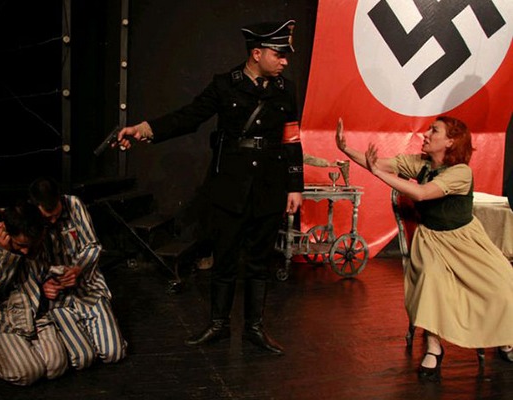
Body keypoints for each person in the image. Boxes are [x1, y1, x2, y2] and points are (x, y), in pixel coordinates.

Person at [115, 19, 305, 355]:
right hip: (230, 187)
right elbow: (189, 117)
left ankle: (254, 328)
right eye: (279, 54)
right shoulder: (225, 85)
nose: (285, 61)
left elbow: (291, 139)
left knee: (260, 261)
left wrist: (295, 186)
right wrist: (143, 130)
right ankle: (219, 325)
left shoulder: (285, 90)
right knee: (226, 258)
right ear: (257, 53)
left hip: (270, 186)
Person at [335, 116, 513, 379]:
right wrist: (345, 149)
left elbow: (421, 193)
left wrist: (377, 173)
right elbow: (378, 163)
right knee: (431, 279)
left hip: (465, 240)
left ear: (450, 142)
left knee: (502, 281)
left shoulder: (461, 173)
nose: (426, 134)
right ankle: (433, 347)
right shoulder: (421, 164)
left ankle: (504, 336)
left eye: (434, 130)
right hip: (432, 239)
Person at [28, 177, 128, 369]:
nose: (53, 221)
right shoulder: (31, 218)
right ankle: (74, 335)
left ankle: (98, 327)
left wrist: (78, 269)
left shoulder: (73, 204)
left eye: (56, 215)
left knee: (114, 354)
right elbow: (29, 261)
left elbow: (93, 245)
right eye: (48, 218)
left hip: (87, 287)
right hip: (58, 299)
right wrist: (43, 284)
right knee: (83, 360)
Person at [0, 200, 69, 386]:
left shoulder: (35, 234)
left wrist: (49, 281)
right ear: (6, 232)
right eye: (20, 244)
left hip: (33, 311)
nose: (25, 250)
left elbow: (42, 270)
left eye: (30, 245)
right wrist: (6, 255)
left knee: (56, 367)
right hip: (0, 315)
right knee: (28, 373)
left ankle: (23, 351)